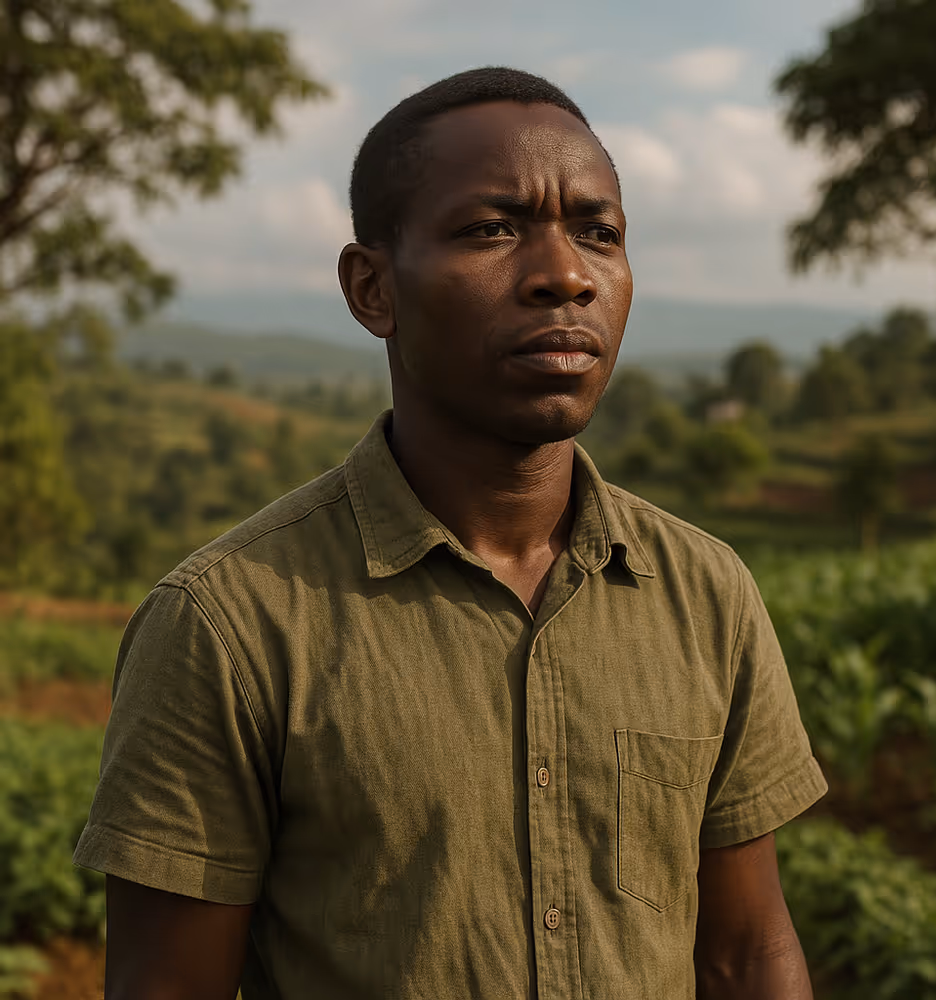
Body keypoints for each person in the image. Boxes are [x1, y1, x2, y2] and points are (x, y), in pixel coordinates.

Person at [75, 67, 827, 1000]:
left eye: (600, 233)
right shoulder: (228, 626)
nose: (565, 275)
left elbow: (747, 953)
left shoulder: (707, 593)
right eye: (492, 229)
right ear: (373, 287)